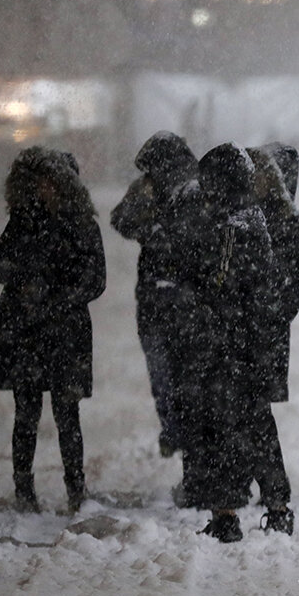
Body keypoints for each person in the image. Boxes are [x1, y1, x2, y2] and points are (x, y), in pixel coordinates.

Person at [0, 147, 106, 514]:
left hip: (63, 332)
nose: (43, 189)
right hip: (27, 332)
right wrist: (25, 281)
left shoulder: (82, 225)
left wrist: (54, 296)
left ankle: (75, 488)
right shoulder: (22, 221)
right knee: (27, 413)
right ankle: (24, 488)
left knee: (67, 414)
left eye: (49, 183)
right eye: (37, 183)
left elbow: (95, 280)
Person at [183, 143, 279, 542]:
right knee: (257, 427)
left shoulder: (229, 228)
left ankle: (225, 516)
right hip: (250, 346)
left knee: (220, 434)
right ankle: (276, 505)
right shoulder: (253, 221)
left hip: (226, 349)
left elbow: (217, 285)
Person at [110, 132, 209, 460]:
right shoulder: (151, 192)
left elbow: (192, 243)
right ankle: (175, 433)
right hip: (157, 301)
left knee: (181, 381)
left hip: (183, 303)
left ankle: (183, 440)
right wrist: (143, 200)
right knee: (164, 378)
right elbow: (120, 221)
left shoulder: (196, 195)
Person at [245, 143, 299, 535]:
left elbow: (295, 285)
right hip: (246, 333)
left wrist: (268, 314)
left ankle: (273, 498)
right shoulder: (238, 220)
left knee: (254, 416)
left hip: (262, 335)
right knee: (245, 415)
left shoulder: (288, 223)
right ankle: (262, 495)